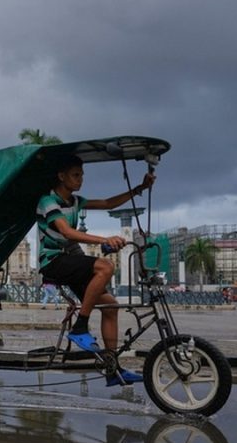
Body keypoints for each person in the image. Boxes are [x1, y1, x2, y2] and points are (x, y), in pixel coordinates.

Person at [36, 154, 155, 386]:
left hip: (70, 261)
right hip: (52, 262)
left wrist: (140, 187)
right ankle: (80, 326)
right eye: (75, 175)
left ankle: (112, 369)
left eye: (82, 175)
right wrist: (104, 240)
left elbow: (109, 204)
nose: (80, 180)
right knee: (106, 265)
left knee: (111, 306)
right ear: (61, 176)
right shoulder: (47, 202)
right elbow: (67, 233)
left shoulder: (75, 201)